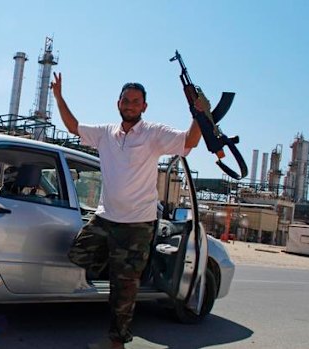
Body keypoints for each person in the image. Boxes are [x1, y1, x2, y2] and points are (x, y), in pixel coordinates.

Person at [51, 72, 204, 349]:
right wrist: (59, 97)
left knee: (125, 289)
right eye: (126, 100)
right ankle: (119, 268)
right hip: (106, 217)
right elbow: (73, 127)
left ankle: (117, 340)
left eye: (136, 101)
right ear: (118, 103)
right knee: (78, 253)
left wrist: (199, 114)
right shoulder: (106, 134)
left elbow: (189, 140)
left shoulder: (154, 134)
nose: (130, 105)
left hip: (137, 224)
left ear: (144, 106)